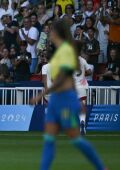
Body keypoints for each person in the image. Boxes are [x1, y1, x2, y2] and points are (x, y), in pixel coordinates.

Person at [30, 20, 106, 170]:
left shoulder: (65, 51)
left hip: (64, 100)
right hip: (55, 101)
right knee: (49, 140)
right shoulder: (60, 51)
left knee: (75, 140)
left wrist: (41, 95)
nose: (48, 33)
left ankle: (102, 168)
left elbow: (62, 79)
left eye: (51, 31)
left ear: (57, 33)